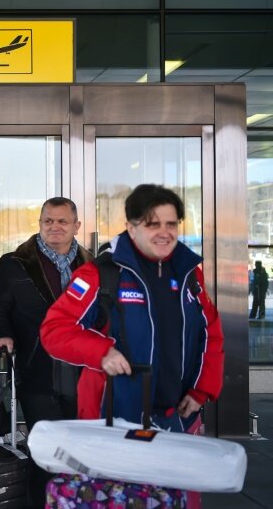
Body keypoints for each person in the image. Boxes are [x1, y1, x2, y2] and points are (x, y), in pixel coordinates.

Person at [41, 184, 224, 433]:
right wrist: (102, 352)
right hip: (112, 416)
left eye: (171, 224)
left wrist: (201, 390)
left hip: (179, 417)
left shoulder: (189, 274)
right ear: (131, 228)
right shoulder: (101, 274)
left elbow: (210, 332)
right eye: (152, 224)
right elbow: (55, 330)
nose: (163, 233)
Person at [0, 196, 93, 508]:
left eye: (62, 221)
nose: (55, 227)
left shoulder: (92, 267)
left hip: (85, 372)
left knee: (80, 449)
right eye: (48, 221)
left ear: (76, 226)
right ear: (40, 223)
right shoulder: (16, 264)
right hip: (37, 369)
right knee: (46, 449)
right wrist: (2, 335)